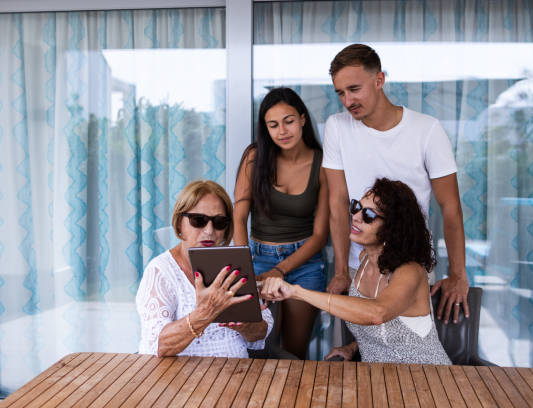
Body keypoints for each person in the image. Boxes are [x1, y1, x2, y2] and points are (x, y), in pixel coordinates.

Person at [323, 43, 469, 324]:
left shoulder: (427, 130)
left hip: (411, 268)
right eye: (340, 92)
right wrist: (341, 270)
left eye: (354, 89)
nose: (347, 100)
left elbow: (450, 207)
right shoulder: (337, 127)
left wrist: (458, 274)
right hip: (360, 266)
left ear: (379, 80)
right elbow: (337, 203)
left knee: (409, 360)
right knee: (357, 359)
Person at [261, 178, 451, 365]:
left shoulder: (410, 271)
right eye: (356, 207)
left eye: (368, 215)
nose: (356, 217)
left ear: (392, 227)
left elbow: (377, 313)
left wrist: (296, 292)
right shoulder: (364, 260)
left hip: (426, 379)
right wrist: (352, 347)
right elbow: (382, 330)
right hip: (381, 381)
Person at [233, 87, 329, 359]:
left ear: (302, 119)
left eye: (288, 121)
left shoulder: (321, 162)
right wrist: (244, 268)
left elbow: (320, 235)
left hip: (304, 264)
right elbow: (239, 217)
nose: (282, 131)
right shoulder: (255, 156)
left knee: (294, 353)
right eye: (273, 125)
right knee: (255, 346)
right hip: (258, 259)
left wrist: (281, 269)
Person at [136, 180, 273, 357]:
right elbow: (158, 345)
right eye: (198, 220)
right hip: (177, 381)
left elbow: (261, 332)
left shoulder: (235, 264)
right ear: (179, 224)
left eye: (219, 222)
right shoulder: (160, 271)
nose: (209, 231)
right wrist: (205, 313)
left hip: (236, 376)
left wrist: (247, 326)